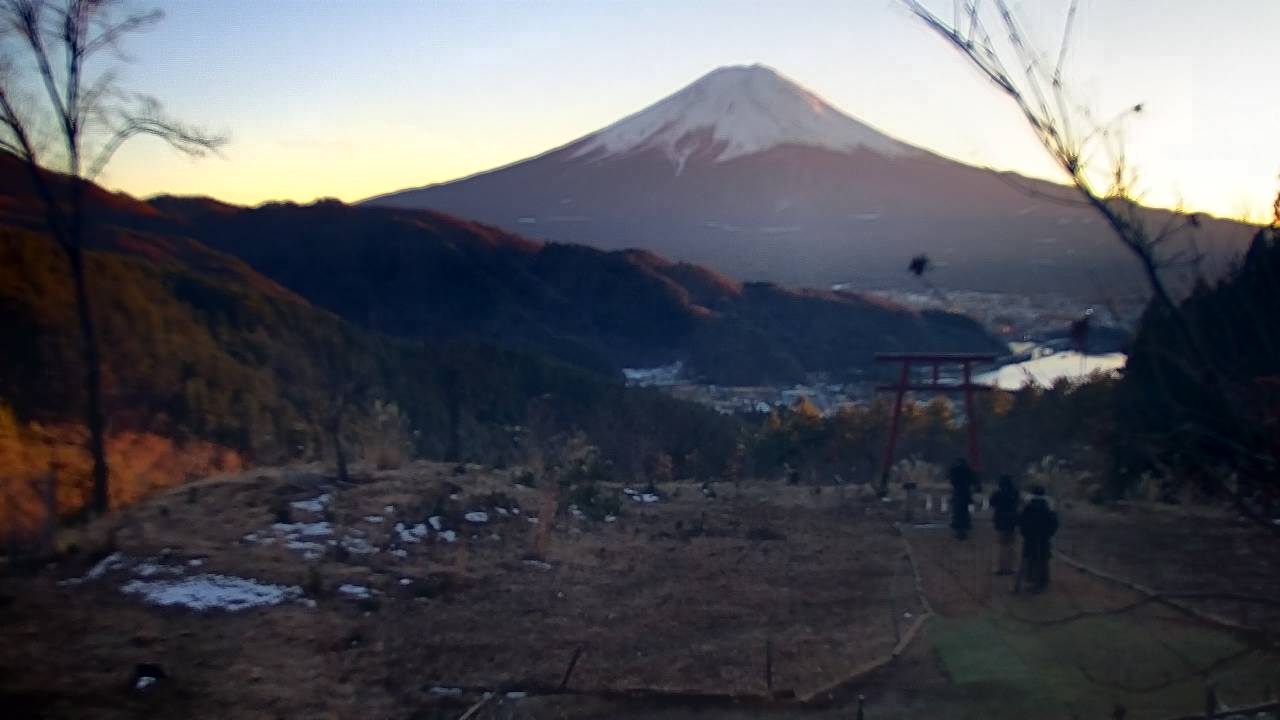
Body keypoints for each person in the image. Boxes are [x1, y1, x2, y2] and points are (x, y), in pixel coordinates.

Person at [1018, 485, 1059, 593]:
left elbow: (1021, 520)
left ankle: (1027, 579)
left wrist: (1024, 532)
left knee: (1027, 557)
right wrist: (1049, 534)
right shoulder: (1049, 504)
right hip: (1044, 537)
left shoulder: (1027, 504)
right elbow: (1054, 522)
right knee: (1043, 558)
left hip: (1030, 536)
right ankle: (1042, 580)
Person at [989, 475, 1021, 575]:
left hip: (1000, 520)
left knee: (1000, 545)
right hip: (1012, 520)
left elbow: (992, 503)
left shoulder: (997, 493)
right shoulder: (1015, 493)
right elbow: (1017, 504)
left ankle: (998, 568)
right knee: (1011, 545)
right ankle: (1011, 567)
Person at [947, 458, 980, 540]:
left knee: (957, 511)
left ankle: (959, 529)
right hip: (965, 493)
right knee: (964, 512)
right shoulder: (968, 470)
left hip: (958, 492)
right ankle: (963, 529)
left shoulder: (955, 469)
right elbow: (974, 480)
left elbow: (951, 479)